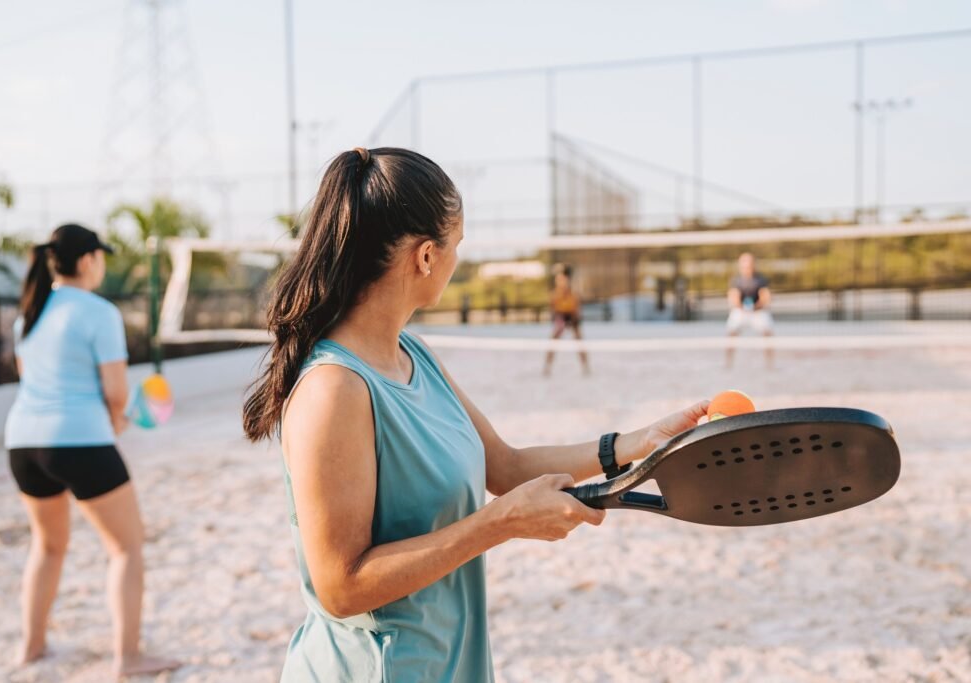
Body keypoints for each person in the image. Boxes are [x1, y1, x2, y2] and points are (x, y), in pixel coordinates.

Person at [242, 148, 707, 682]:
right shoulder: (334, 390)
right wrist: (501, 523)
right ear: (424, 256)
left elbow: (505, 466)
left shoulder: (412, 355)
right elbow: (341, 586)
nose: (457, 260)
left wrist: (639, 441)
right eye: (456, 245)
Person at [5, 224, 178, 678]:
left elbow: (33, 382)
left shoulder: (28, 313)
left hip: (23, 443)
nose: (102, 263)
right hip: (79, 439)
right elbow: (116, 393)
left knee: (47, 546)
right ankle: (128, 658)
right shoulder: (99, 312)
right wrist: (119, 420)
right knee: (126, 547)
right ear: (87, 261)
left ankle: (31, 647)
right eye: (100, 256)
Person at [725, 252, 774, 369]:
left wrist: (756, 307)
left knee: (768, 332)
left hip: (758, 311)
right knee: (731, 331)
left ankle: (769, 364)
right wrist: (742, 308)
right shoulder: (736, 280)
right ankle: (728, 363)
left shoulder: (761, 279)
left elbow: (765, 297)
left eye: (749, 263)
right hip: (741, 311)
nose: (747, 266)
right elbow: (733, 298)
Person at [543, 263, 590, 377]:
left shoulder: (572, 292)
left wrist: (575, 317)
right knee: (553, 341)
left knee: (579, 342)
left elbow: (576, 304)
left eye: (562, 278)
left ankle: (585, 366)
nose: (559, 280)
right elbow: (553, 304)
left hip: (571, 315)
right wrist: (555, 315)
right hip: (561, 315)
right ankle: (547, 366)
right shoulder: (556, 292)